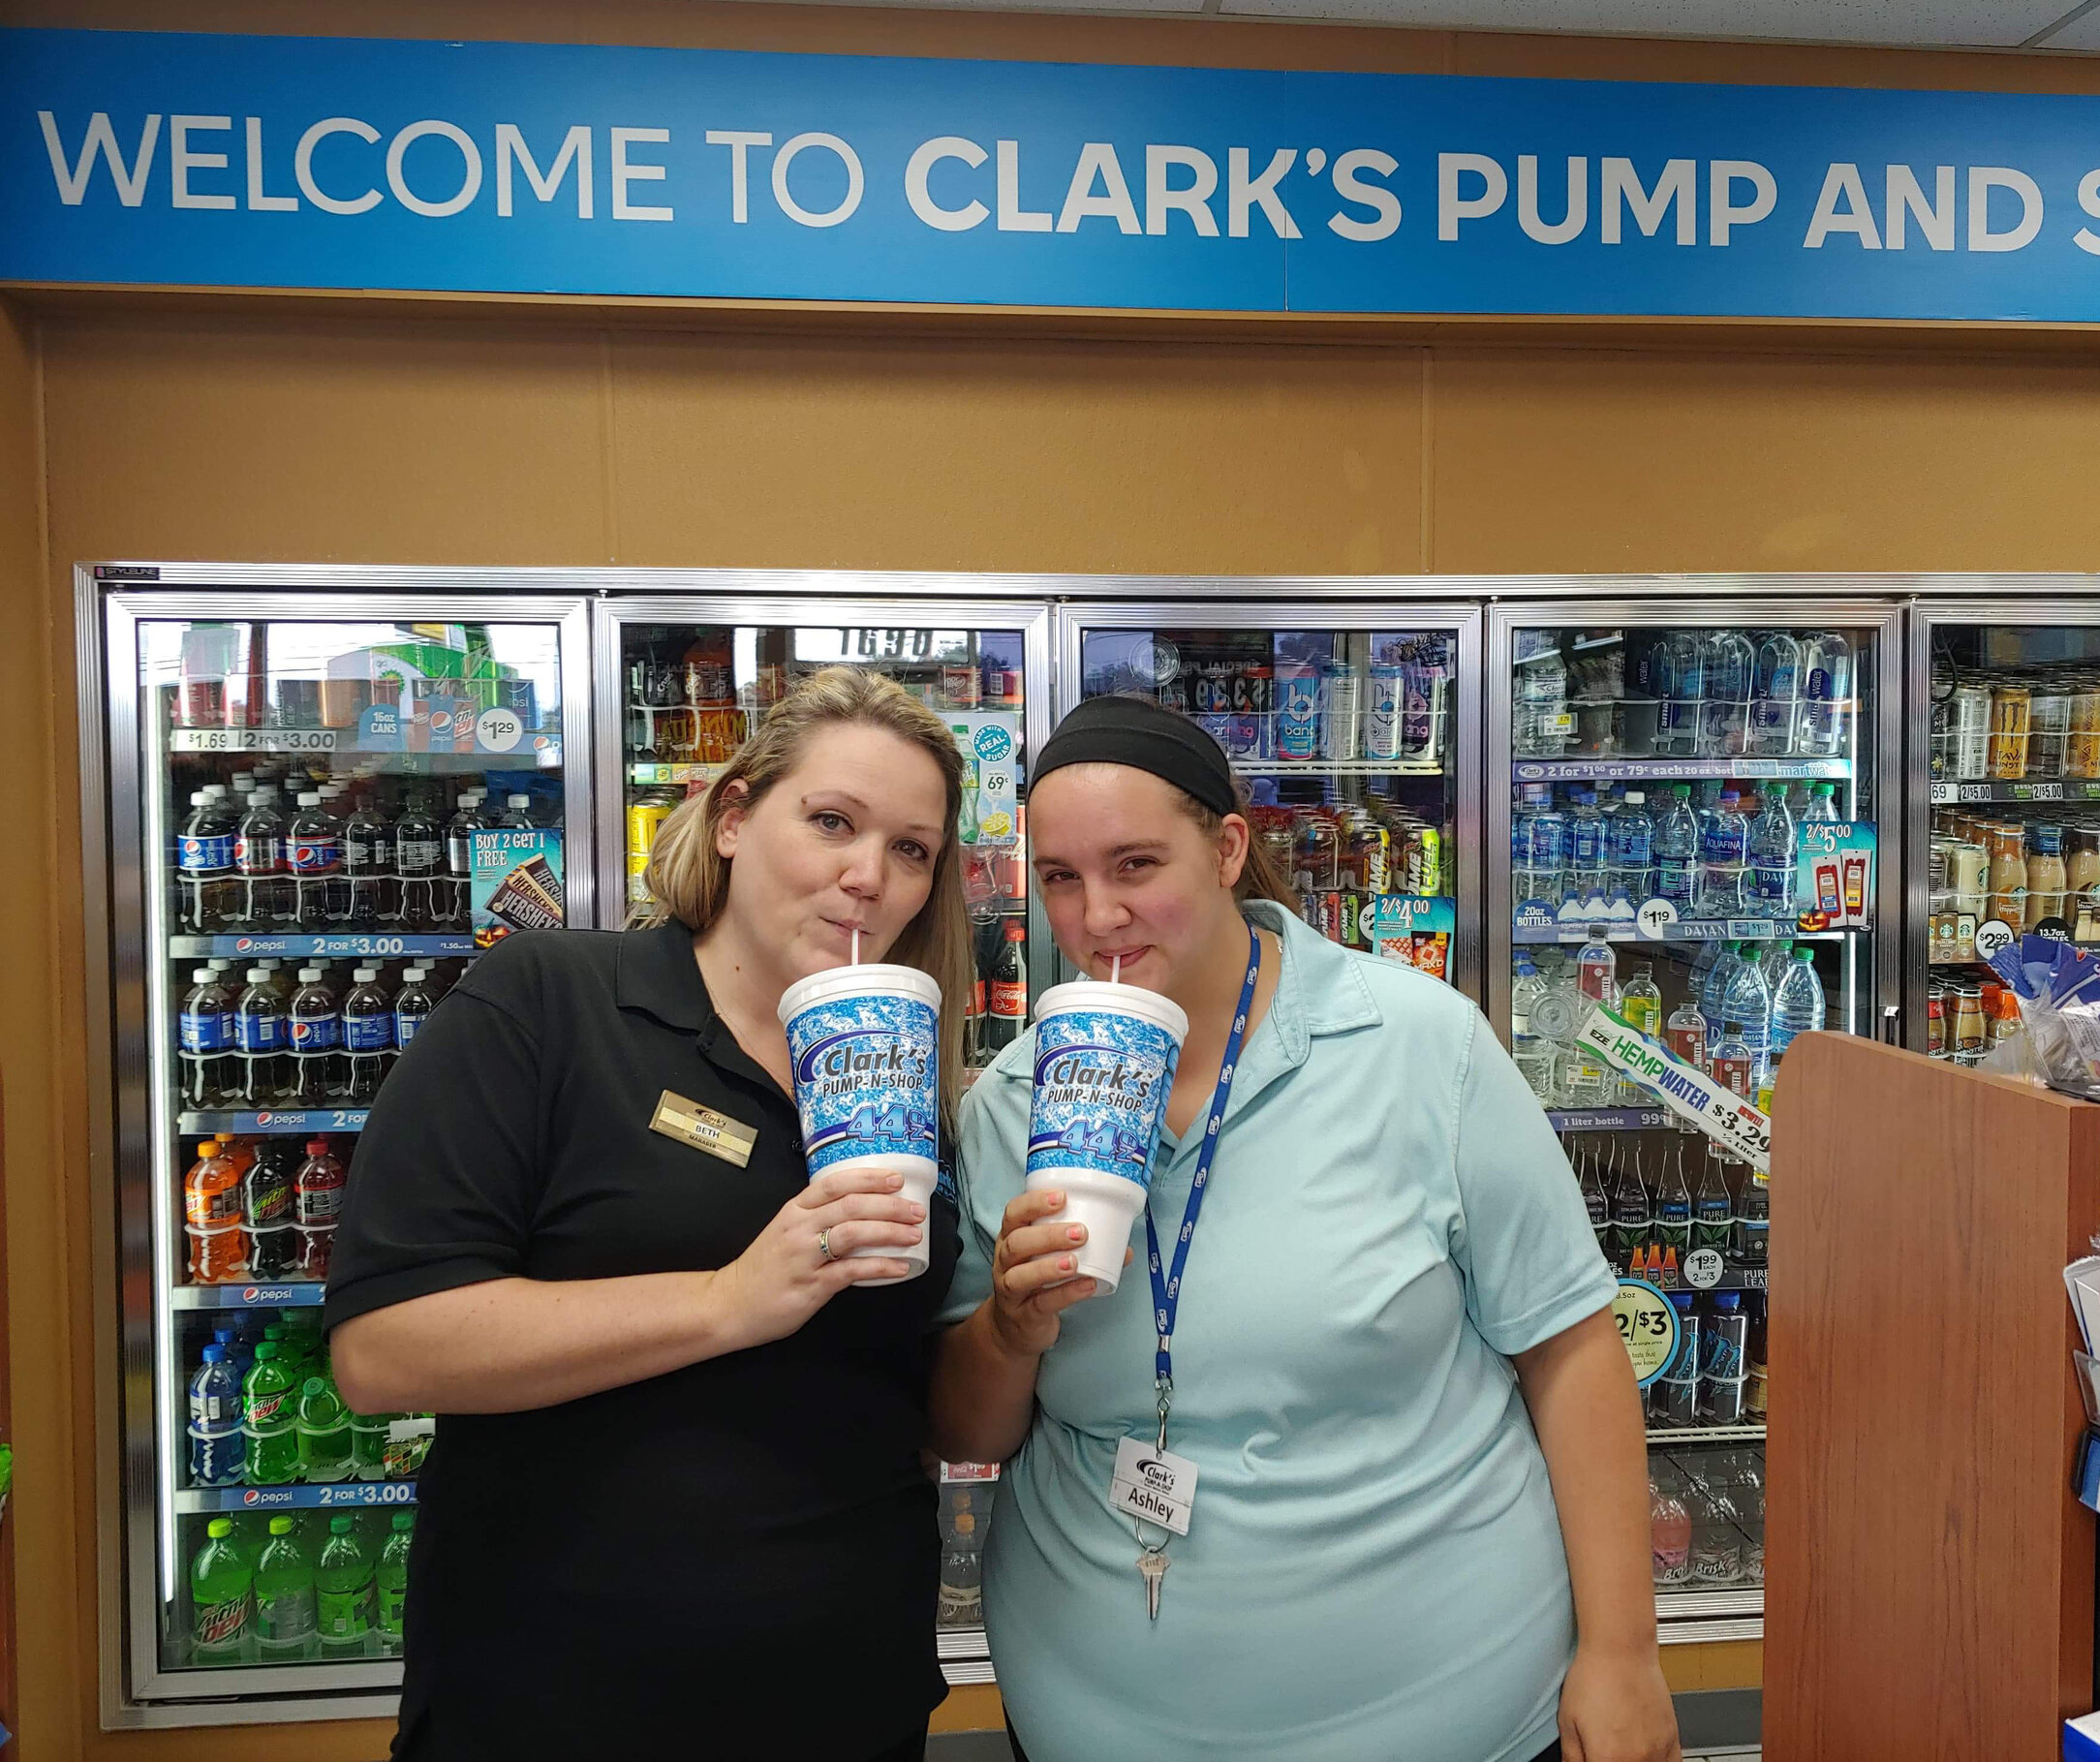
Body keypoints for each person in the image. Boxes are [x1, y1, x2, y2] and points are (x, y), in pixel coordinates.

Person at [933, 696, 1681, 1762]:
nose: (1096, 914)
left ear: (1228, 847)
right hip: (1094, 1712)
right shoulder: (1015, 1100)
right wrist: (1011, 1324)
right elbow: (969, 1434)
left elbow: (1570, 1346)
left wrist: (1623, 1650)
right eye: (1060, 876)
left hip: (1449, 1706)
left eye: (1135, 864)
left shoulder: (1420, 1044)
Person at [327, 666, 972, 1761]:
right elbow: (383, 1348)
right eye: (830, 822)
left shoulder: (904, 1073)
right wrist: (726, 1302)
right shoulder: (548, 1002)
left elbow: (917, 1394)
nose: (868, 874)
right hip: (560, 1698)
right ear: (732, 816)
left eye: (911, 849)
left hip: (845, 1691)